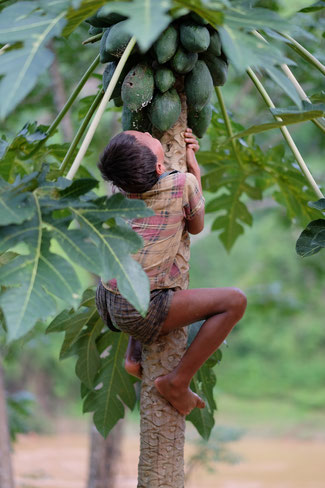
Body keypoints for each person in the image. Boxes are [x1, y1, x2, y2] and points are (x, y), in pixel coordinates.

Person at [96, 128, 247, 416]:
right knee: (235, 301)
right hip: (137, 309)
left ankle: (133, 357)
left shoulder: (119, 187)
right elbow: (196, 226)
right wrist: (195, 171)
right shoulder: (181, 183)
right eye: (146, 137)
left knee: (143, 263)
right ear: (159, 167)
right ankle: (177, 382)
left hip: (106, 297)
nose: (144, 130)